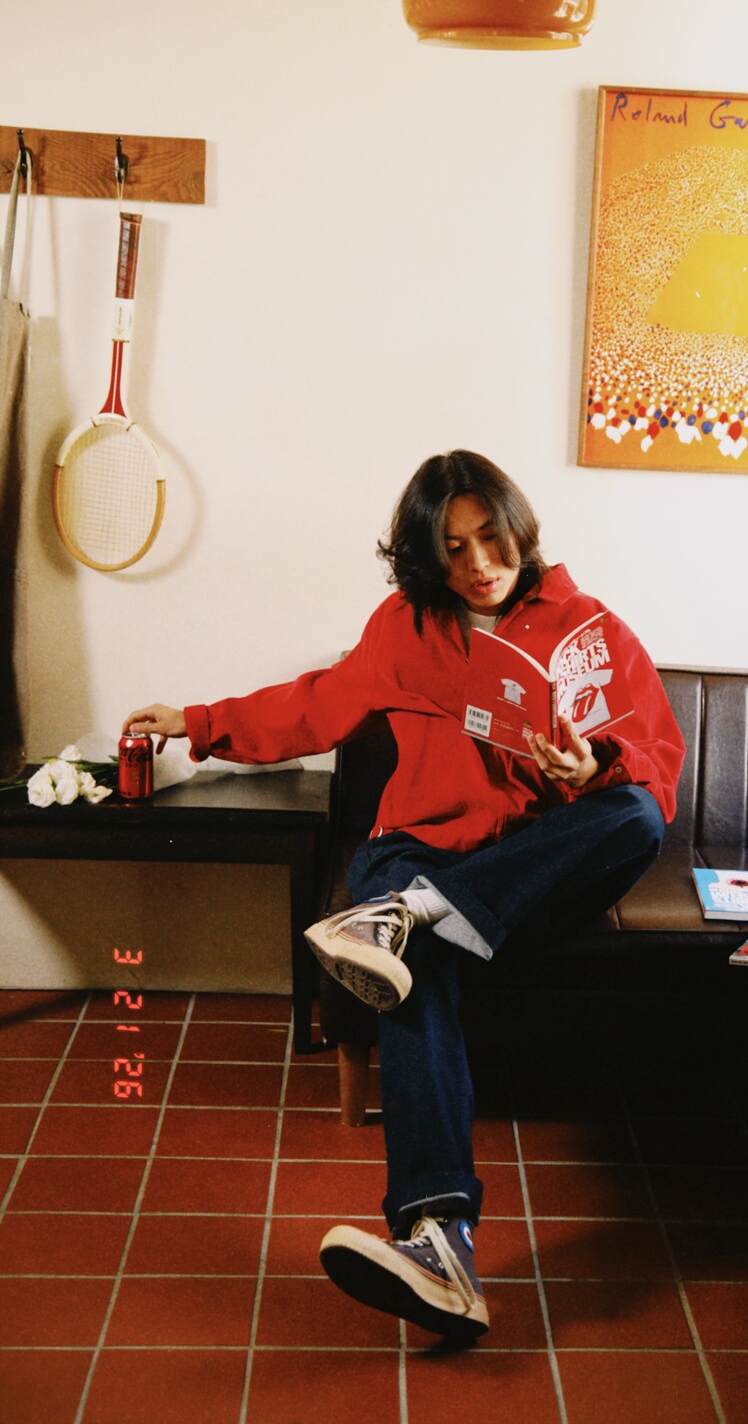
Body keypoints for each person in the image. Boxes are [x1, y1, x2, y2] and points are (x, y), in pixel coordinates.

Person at [123, 450, 685, 1344]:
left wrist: (593, 767)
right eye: (453, 549)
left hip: (527, 869)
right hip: (412, 853)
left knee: (637, 817)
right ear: (428, 556)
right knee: (411, 962)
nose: (480, 564)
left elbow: (657, 762)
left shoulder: (592, 630)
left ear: (519, 528)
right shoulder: (404, 628)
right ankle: (439, 1242)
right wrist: (199, 722)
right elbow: (313, 705)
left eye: (491, 538)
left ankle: (411, 913)